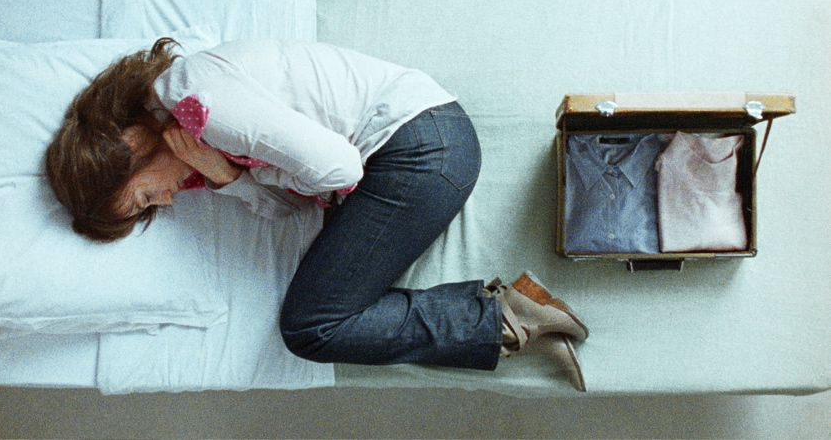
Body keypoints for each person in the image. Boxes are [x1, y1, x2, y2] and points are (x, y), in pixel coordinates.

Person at [45, 38, 589, 391]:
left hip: (421, 146)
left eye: (143, 198)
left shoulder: (194, 98)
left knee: (312, 327)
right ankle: (510, 316)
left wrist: (234, 170)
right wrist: (227, 176)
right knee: (314, 324)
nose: (163, 203)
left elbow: (337, 169)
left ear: (131, 146)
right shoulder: (195, 147)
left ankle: (509, 317)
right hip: (414, 151)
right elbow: (287, 208)